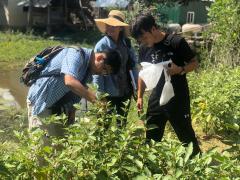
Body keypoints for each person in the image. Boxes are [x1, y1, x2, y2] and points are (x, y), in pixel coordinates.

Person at [131, 14, 201, 157]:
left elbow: (194, 63)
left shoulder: (176, 42)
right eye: (140, 40)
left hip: (178, 98)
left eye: (144, 37)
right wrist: (139, 96)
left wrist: (180, 70)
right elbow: (143, 73)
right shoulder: (144, 48)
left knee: (186, 135)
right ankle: (150, 167)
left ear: (153, 28)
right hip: (156, 99)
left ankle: (198, 165)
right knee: (151, 138)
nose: (143, 42)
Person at [27, 47, 121, 135]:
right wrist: (97, 101)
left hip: (58, 109)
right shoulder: (75, 54)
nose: (101, 73)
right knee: (42, 146)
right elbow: (70, 81)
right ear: (100, 58)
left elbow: (76, 93)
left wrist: (72, 113)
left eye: (105, 74)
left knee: (60, 146)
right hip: (41, 103)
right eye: (104, 69)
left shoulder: (88, 71)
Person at [93, 10, 138, 127]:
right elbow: (97, 72)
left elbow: (133, 65)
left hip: (125, 90)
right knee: (103, 125)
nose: (110, 27)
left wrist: (136, 87)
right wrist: (100, 95)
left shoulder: (126, 44)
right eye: (108, 25)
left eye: (114, 25)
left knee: (121, 124)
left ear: (121, 28)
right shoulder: (101, 45)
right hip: (108, 92)